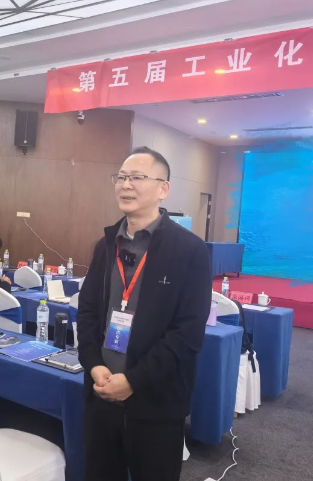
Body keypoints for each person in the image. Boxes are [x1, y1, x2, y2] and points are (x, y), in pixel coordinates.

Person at [77, 146, 211, 481]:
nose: (126, 185)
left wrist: (133, 380)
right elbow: (88, 310)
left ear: (163, 189)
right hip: (101, 395)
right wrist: (93, 363)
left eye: (137, 177)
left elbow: (188, 333)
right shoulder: (106, 245)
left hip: (156, 406)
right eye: (121, 177)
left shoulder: (190, 250)